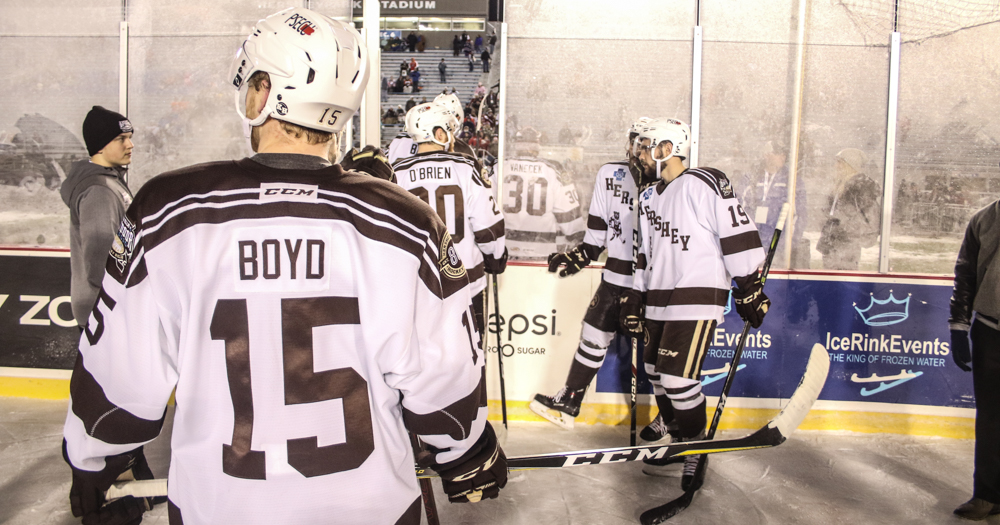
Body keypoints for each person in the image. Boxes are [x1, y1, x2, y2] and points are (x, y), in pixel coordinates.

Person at [61, 9, 506, 525]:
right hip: (371, 510)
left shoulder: (168, 210)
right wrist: (467, 450)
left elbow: (118, 381)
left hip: (221, 508)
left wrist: (94, 461)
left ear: (261, 91)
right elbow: (446, 386)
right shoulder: (406, 222)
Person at [621, 118, 768, 489]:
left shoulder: (703, 182)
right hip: (658, 297)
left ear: (667, 148)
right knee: (655, 375)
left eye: (646, 146)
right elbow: (645, 253)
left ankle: (694, 449)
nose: (640, 153)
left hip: (696, 296)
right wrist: (636, 296)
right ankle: (678, 438)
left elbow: (736, 231)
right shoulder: (649, 195)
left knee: (676, 378)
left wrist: (749, 285)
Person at [531, 118, 665, 433]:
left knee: (658, 356)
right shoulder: (610, 173)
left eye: (645, 144)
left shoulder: (668, 182)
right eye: (636, 142)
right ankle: (569, 402)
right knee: (592, 336)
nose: (638, 150)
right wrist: (582, 255)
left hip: (652, 284)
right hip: (615, 278)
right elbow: (598, 230)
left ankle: (669, 418)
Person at [394, 102, 507, 334]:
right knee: (472, 361)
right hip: (466, 283)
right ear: (438, 133)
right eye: (449, 131)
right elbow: (487, 226)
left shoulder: (396, 172)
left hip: (416, 284)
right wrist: (496, 257)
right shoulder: (465, 167)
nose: (453, 138)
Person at [60, 105, 134, 329]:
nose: (130, 145)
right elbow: (100, 242)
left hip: (106, 305)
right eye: (121, 139)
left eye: (130, 138)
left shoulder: (108, 181)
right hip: (107, 307)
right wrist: (122, 297)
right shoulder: (99, 189)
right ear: (101, 146)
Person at [949, 198, 1000, 520]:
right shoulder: (984, 219)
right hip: (990, 332)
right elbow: (965, 273)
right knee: (992, 418)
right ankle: (987, 495)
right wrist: (958, 326)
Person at [502, 127, 585, 261]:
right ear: (537, 146)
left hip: (505, 250)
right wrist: (578, 241)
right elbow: (570, 219)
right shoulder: (553, 169)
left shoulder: (500, 167)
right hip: (542, 252)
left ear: (516, 145)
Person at [738, 140, 809, 268]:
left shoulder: (791, 180)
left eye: (783, 154)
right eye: (777, 153)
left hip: (779, 244)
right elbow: (740, 209)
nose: (783, 156)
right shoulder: (752, 177)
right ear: (766, 155)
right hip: (753, 242)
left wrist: (788, 244)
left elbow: (800, 214)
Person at [816, 148, 881, 270]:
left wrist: (841, 229)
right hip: (832, 245)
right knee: (830, 282)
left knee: (841, 283)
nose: (836, 166)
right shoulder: (841, 184)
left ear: (850, 165)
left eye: (840, 162)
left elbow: (866, 220)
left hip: (846, 248)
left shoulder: (860, 188)